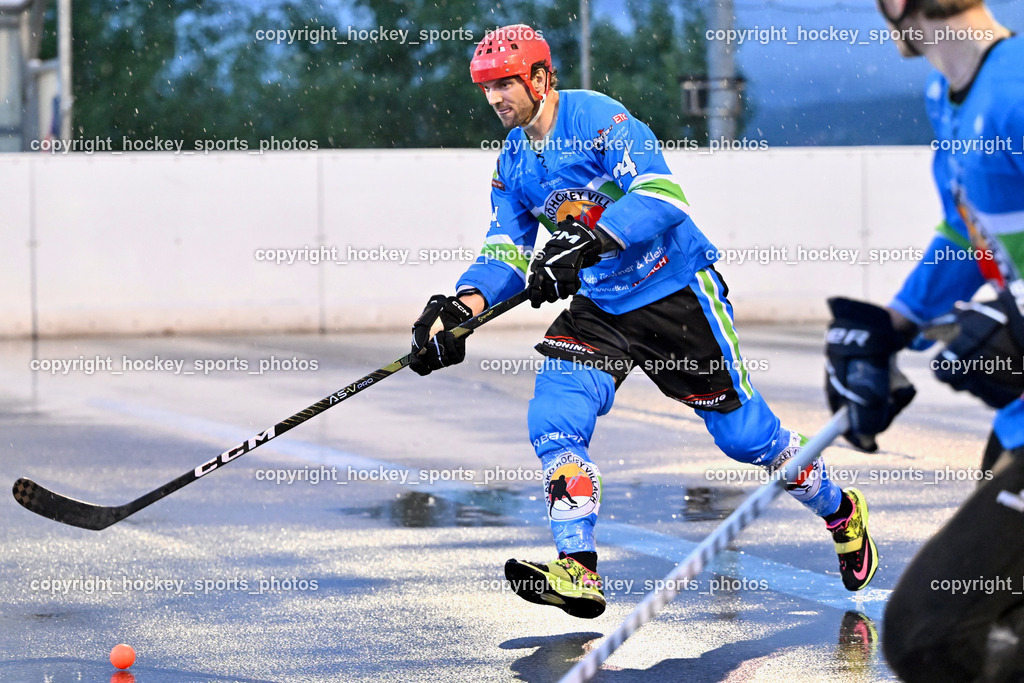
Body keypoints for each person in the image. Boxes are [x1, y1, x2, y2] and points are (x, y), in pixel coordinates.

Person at [410, 24, 877, 620]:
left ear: (541, 78)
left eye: (505, 83)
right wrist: (461, 308)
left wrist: (589, 239)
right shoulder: (513, 162)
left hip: (673, 290)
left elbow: (661, 194)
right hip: (602, 306)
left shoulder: (597, 119)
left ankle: (840, 510)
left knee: (744, 438)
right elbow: (505, 248)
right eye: (486, 87)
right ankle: (578, 567)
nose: (495, 97)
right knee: (554, 416)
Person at [820, 1, 1024, 679]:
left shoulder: (1017, 88)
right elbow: (968, 230)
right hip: (1018, 419)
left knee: (932, 635)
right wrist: (892, 326)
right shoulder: (950, 94)